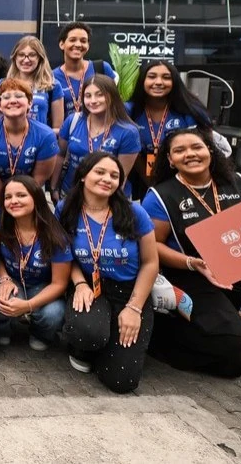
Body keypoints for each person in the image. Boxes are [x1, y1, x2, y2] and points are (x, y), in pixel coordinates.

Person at [141, 129, 241, 378]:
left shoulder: (238, 183)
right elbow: (152, 245)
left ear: (210, 150)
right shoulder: (160, 196)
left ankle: (198, 336)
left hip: (233, 275)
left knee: (232, 364)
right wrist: (192, 263)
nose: (190, 154)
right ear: (170, 159)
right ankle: (159, 338)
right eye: (180, 150)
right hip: (188, 276)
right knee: (233, 345)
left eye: (196, 147)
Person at [60, 152, 159, 394]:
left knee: (121, 381)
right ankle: (85, 346)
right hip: (89, 286)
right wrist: (80, 284)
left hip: (129, 290)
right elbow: (64, 256)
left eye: (115, 175)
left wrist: (134, 308)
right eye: (100, 172)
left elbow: (150, 263)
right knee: (88, 333)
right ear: (83, 176)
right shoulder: (66, 209)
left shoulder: (134, 213)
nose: (107, 179)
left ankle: (113, 345)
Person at [0, 175, 70, 351]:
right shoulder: (2, 224)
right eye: (8, 197)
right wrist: (4, 278)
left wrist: (28, 305)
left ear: (36, 197)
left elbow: (60, 283)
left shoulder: (54, 235)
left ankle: (39, 332)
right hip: (13, 282)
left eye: (21, 195)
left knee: (53, 313)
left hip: (43, 286)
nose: (14, 201)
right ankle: (5, 329)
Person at [127, 59, 224, 184]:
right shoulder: (130, 111)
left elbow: (204, 150)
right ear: (142, 81)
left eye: (166, 77)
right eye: (152, 77)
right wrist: (149, 181)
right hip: (139, 180)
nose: (158, 82)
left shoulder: (191, 111)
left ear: (175, 82)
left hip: (184, 178)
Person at [54, 75, 142, 200]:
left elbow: (121, 175)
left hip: (107, 197)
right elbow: (60, 155)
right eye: (88, 96)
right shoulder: (73, 121)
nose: (93, 100)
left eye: (100, 95)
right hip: (71, 195)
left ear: (112, 96)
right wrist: (54, 188)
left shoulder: (128, 132)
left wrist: (111, 204)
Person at [0, 78, 59, 196]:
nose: (12, 101)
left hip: (32, 194)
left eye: (19, 96)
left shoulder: (46, 135)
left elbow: (38, 179)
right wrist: (5, 204)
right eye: (6, 97)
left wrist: (19, 202)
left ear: (30, 102)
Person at [0, 36, 63, 130]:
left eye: (32, 55)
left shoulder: (52, 86)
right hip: (7, 142)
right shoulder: (0, 85)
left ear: (40, 58)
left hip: (39, 142)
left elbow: (58, 129)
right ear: (15, 57)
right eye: (21, 55)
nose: (26, 60)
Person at [54, 22, 117, 117]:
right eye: (72, 40)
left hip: (99, 129)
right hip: (66, 130)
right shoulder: (52, 77)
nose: (78, 44)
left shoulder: (101, 68)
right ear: (62, 44)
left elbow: (114, 104)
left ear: (88, 46)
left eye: (83, 41)